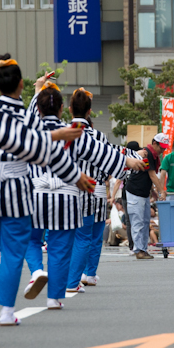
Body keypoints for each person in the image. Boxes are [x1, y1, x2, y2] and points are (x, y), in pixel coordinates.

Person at [0, 87, 87, 342]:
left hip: (24, 191)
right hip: (55, 196)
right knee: (57, 247)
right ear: (62, 109)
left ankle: (28, 268)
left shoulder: (11, 117)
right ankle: (49, 299)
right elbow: (94, 151)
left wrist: (36, 93)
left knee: (29, 242)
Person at [31, 83, 146, 308]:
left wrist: (37, 93)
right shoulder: (88, 135)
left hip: (37, 191)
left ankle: (35, 271)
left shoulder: (36, 127)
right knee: (78, 240)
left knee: (33, 240)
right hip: (81, 191)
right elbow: (107, 153)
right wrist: (129, 160)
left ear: (69, 108)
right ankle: (67, 286)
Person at [66, 88, 113, 291]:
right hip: (96, 188)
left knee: (71, 236)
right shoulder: (99, 137)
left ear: (69, 109)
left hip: (68, 189)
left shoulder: (63, 132)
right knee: (92, 236)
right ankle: (88, 274)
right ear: (89, 110)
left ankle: (71, 277)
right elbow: (108, 164)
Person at [124, 132, 167, 260]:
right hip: (135, 191)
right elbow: (152, 175)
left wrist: (153, 191)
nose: (162, 150)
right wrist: (161, 191)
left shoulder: (153, 155)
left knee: (145, 221)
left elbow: (149, 178)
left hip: (143, 192)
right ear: (155, 143)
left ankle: (143, 248)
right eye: (161, 147)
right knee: (137, 222)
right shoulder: (147, 154)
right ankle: (138, 250)